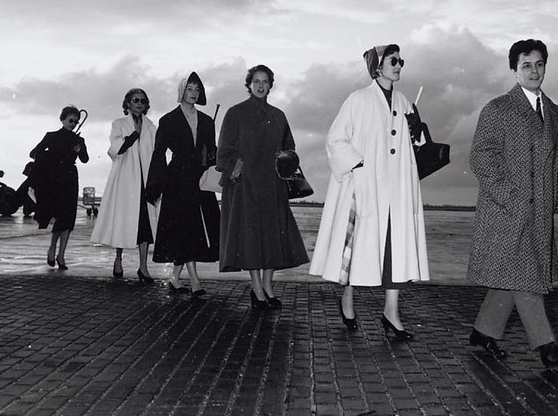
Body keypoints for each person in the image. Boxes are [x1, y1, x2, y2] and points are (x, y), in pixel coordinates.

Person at [310, 45, 428, 340]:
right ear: (377, 67)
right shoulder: (358, 100)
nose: (399, 65)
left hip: (397, 191)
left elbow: (419, 148)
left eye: (401, 60)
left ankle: (391, 312)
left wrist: (419, 130)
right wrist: (359, 164)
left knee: (393, 248)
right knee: (358, 246)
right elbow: (336, 139)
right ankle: (347, 298)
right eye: (393, 60)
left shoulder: (405, 102)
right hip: (365, 186)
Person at [467, 39, 558, 369]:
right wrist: (508, 194)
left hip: (539, 211)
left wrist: (556, 191)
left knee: (513, 274)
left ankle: (484, 332)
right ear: (514, 71)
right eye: (526, 65)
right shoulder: (498, 109)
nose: (534, 71)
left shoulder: (555, 113)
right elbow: (481, 156)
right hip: (506, 210)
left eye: (539, 64)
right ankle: (546, 345)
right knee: (525, 274)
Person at [217, 64, 308, 309]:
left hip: (273, 187)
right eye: (256, 81)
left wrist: (285, 159)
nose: (260, 85)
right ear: (249, 84)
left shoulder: (279, 116)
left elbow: (291, 150)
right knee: (252, 240)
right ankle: (256, 288)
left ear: (270, 85)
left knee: (271, 239)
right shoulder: (235, 113)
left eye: (265, 81)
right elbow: (222, 152)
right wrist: (238, 165)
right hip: (246, 187)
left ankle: (268, 286)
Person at [146, 73, 219, 295]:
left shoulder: (207, 121)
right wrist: (155, 185)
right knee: (185, 227)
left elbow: (212, 152)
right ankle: (194, 280)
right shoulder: (168, 120)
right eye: (189, 88)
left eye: (197, 89)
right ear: (181, 92)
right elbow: (159, 153)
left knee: (192, 228)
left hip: (200, 179)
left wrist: (215, 169)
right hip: (177, 179)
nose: (194, 92)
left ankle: (176, 278)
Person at [91, 88, 158, 282]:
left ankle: (143, 267)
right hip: (125, 181)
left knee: (144, 225)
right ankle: (118, 259)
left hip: (144, 181)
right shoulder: (119, 124)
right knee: (122, 220)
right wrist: (129, 140)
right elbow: (114, 149)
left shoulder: (150, 127)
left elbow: (154, 152)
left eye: (142, 101)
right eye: (135, 100)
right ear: (127, 103)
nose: (139, 103)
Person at [29, 105, 89, 270]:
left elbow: (85, 159)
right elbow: (33, 153)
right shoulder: (51, 136)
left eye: (76, 122)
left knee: (68, 218)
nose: (73, 124)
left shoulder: (79, 140)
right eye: (70, 120)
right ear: (62, 119)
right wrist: (51, 157)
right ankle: (52, 248)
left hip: (70, 179)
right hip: (54, 179)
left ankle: (61, 255)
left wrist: (79, 149)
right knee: (59, 215)